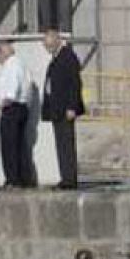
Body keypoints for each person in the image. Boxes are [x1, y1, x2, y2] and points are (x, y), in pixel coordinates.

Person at [40, 25, 84, 189]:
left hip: (65, 109)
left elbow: (75, 83)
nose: (47, 48)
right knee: (60, 145)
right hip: (56, 110)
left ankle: (70, 179)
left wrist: (72, 106)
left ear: (57, 41)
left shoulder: (68, 56)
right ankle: (65, 177)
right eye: (46, 46)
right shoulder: (56, 58)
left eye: (49, 45)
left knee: (66, 144)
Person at [0, 42, 33, 188]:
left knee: (9, 146)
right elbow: (29, 87)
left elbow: (12, 87)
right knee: (20, 145)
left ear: (1, 53)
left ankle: (12, 180)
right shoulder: (22, 64)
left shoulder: (10, 65)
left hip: (12, 108)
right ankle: (23, 178)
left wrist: (5, 101)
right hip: (22, 108)